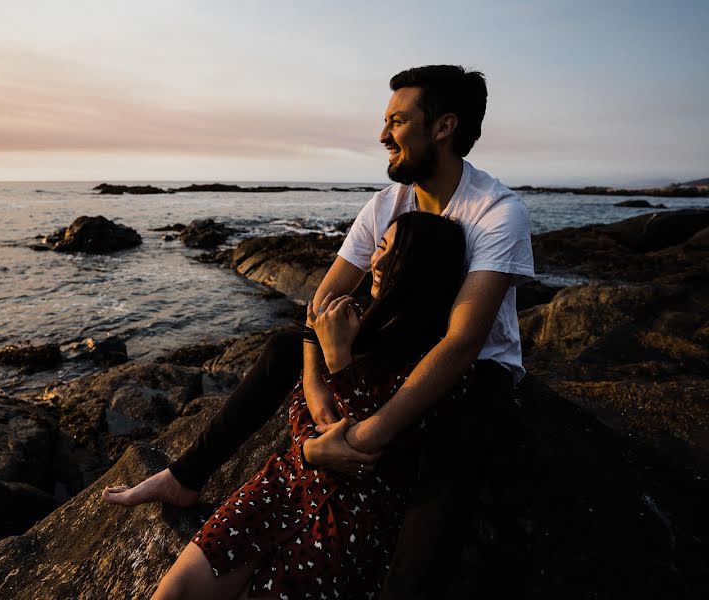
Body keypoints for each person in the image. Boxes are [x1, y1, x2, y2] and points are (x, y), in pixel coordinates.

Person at [104, 64, 535, 598]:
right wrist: (319, 397)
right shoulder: (386, 205)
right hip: (394, 345)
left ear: (443, 128)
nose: (382, 135)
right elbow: (321, 302)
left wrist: (364, 436)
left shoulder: (497, 211)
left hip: (475, 366)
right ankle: (187, 477)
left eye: (397, 121)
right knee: (286, 346)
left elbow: (463, 341)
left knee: (459, 437)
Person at [152, 211, 471, 599]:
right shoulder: (354, 321)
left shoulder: (437, 365)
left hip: (350, 518)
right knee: (174, 591)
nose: (378, 262)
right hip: (285, 483)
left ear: (425, 269)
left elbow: (370, 446)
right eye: (380, 248)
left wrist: (338, 360)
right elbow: (304, 400)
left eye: (396, 256)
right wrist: (309, 446)